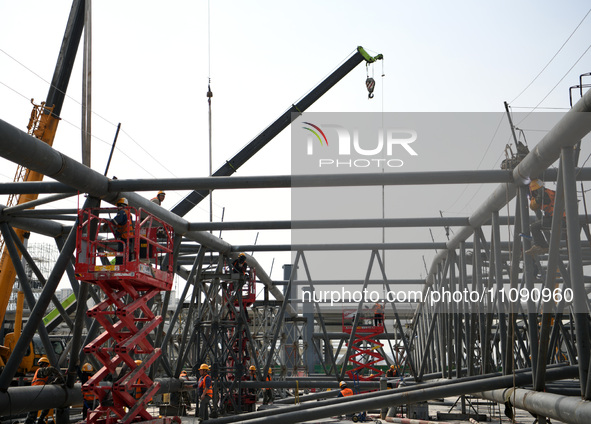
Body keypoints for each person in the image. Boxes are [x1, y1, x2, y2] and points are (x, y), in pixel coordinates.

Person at [25, 357, 64, 424]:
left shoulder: (44, 374)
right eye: (45, 365)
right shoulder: (40, 371)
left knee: (47, 405)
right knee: (32, 413)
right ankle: (30, 422)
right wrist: (60, 377)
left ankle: (40, 420)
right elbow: (51, 369)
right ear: (43, 365)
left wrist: (54, 382)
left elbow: (47, 382)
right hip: (35, 392)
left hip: (39, 392)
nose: (45, 366)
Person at [526, 179, 556, 256]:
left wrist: (541, 196)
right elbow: (533, 206)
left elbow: (548, 200)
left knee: (534, 227)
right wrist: (538, 198)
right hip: (552, 218)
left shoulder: (549, 193)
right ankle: (542, 246)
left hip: (559, 218)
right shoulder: (536, 197)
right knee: (534, 226)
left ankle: (540, 246)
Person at [111, 198, 134, 265]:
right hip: (129, 237)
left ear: (120, 205)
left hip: (124, 237)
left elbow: (116, 221)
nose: (117, 208)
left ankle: (120, 265)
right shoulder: (129, 214)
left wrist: (107, 223)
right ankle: (128, 264)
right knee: (127, 253)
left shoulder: (122, 212)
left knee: (121, 254)